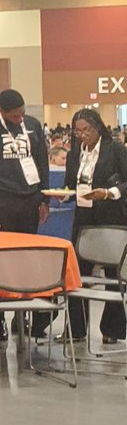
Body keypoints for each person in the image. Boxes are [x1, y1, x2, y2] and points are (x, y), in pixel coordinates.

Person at [0, 88, 51, 337]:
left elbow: (42, 163)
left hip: (29, 200)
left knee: (26, 261)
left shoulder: (33, 126)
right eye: (15, 116)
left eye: (22, 114)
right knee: (1, 264)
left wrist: (43, 198)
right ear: (1, 112)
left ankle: (22, 317)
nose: (20, 120)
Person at [64, 107, 127, 345]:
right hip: (83, 219)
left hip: (111, 217)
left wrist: (110, 193)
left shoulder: (115, 150)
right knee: (77, 273)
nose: (82, 135)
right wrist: (64, 195)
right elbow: (71, 184)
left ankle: (112, 329)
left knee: (114, 274)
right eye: (78, 131)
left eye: (87, 130)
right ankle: (77, 330)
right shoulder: (74, 153)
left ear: (98, 127)